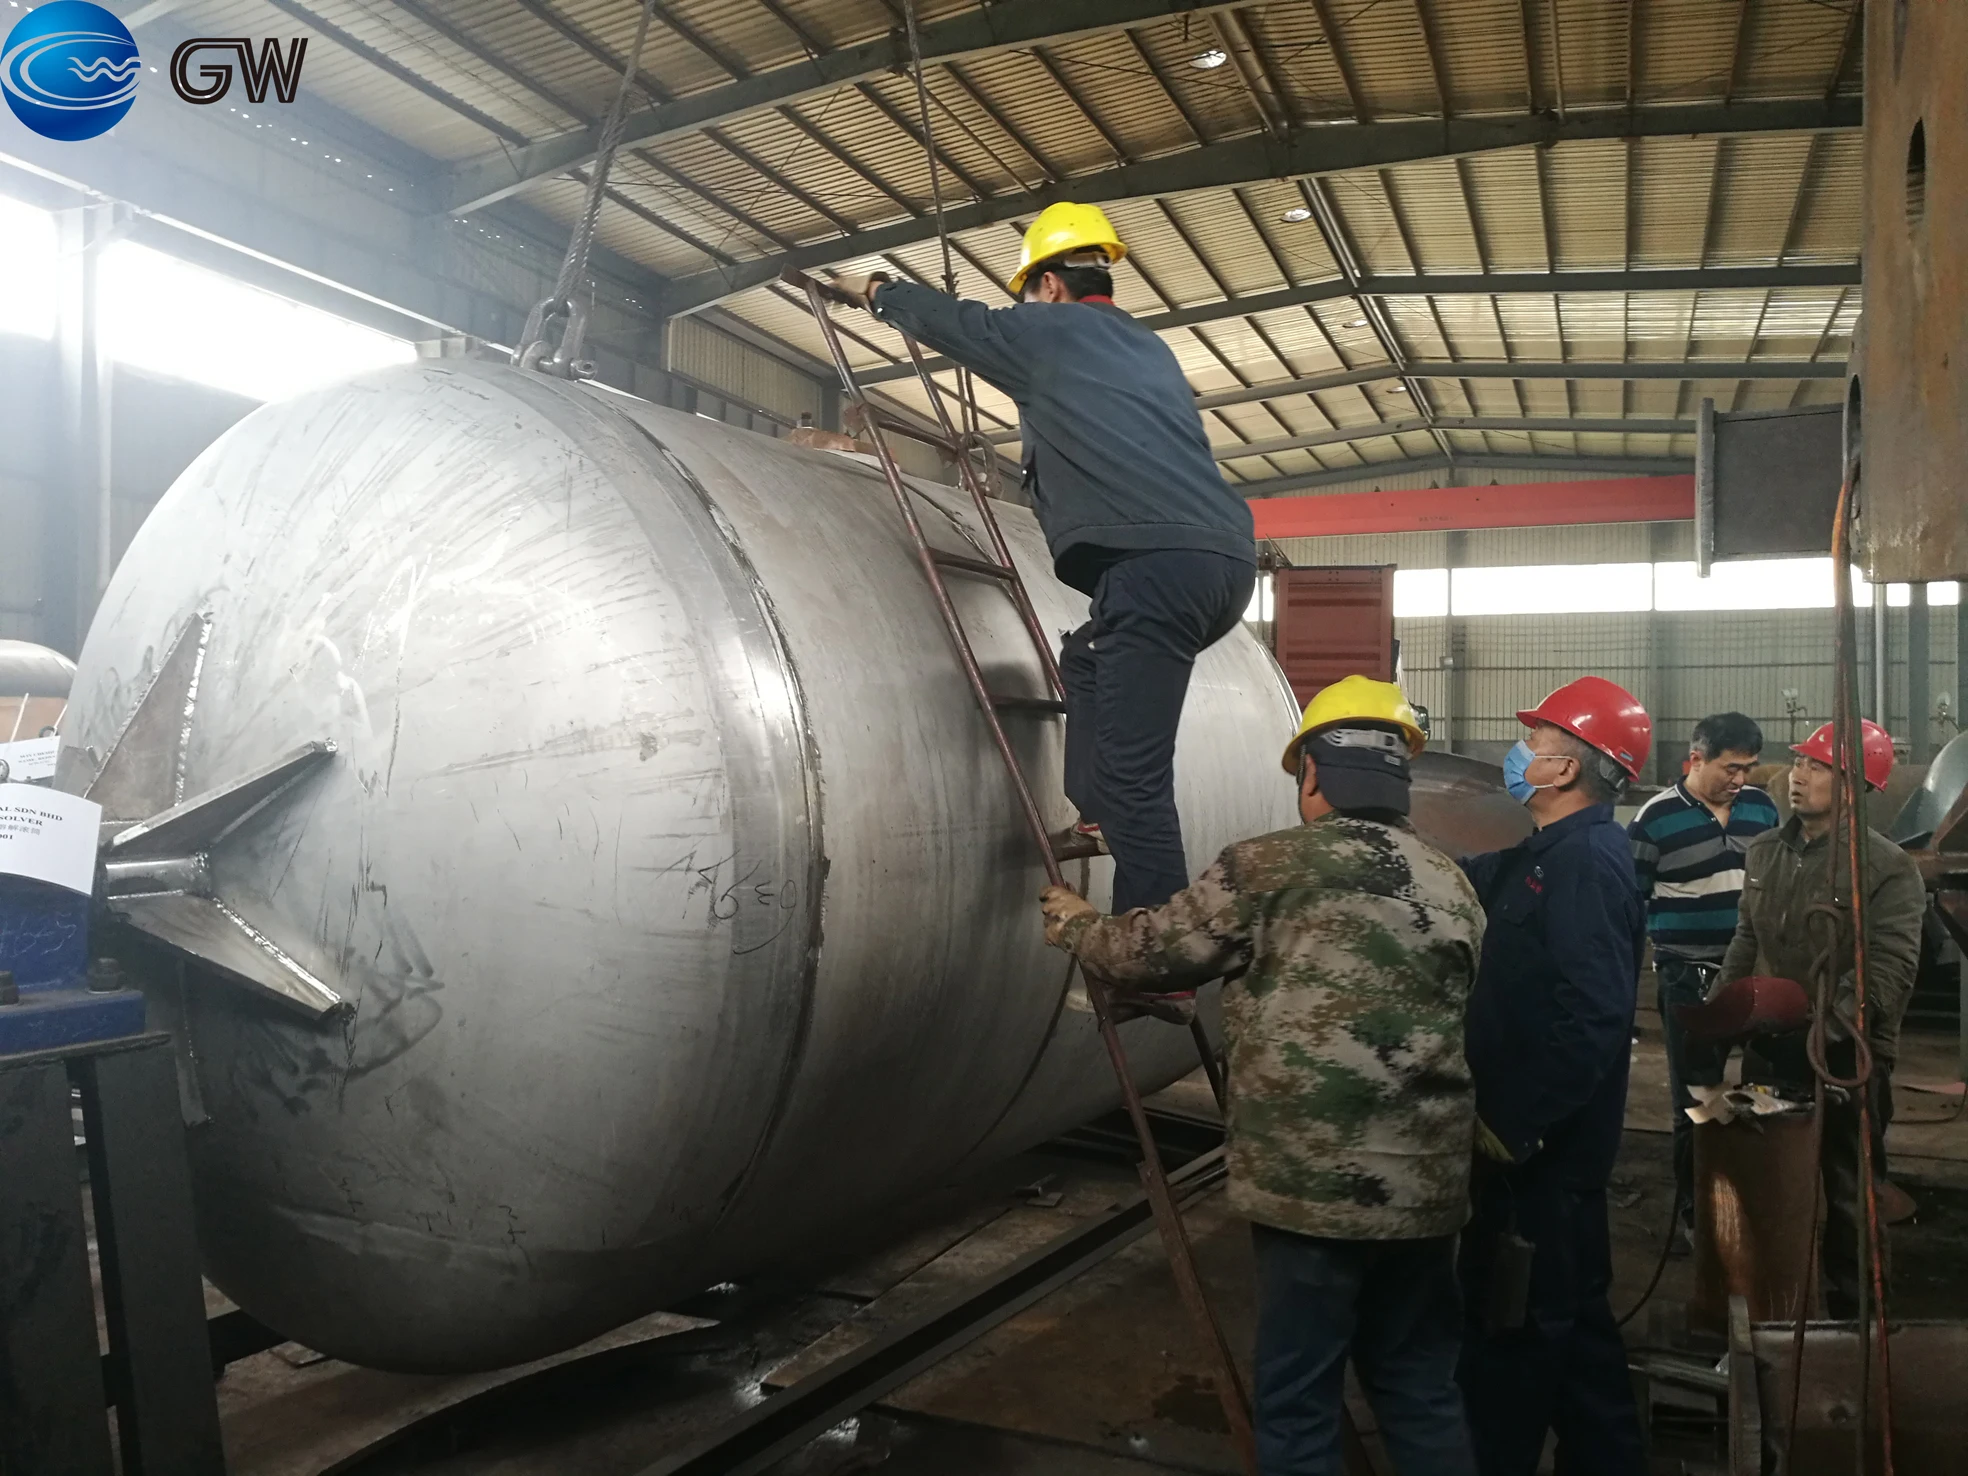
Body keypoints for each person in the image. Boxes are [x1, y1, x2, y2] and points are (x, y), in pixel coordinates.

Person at [1037, 675, 1483, 1476]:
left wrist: (1079, 925)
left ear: (1312, 773)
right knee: (1419, 1387)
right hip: (1427, 1183)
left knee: (1299, 1399)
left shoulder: (1266, 865)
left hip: (1309, 1186)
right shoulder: (1452, 884)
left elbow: (1151, 954)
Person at [831, 202, 1257, 910]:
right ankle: (1097, 814)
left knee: (1136, 779)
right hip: (1222, 564)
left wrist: (876, 291)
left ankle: (1154, 951)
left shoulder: (1051, 332)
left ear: (1050, 285)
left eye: (1027, 294)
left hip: (1154, 567)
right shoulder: (1146, 347)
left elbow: (961, 325)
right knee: (1085, 657)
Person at [1455, 676, 1652, 1476]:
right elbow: (1484, 873)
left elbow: (1594, 1017)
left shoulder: (1587, 864)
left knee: (1515, 1339)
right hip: (1542, 1158)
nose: (1519, 755)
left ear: (1566, 769)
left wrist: (1517, 1124)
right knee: (1577, 1343)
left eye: (1533, 744)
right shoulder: (1548, 855)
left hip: (1542, 1163)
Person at [1716, 719, 1925, 1318]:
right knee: (1770, 1188)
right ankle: (1777, 1313)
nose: (1797, 775)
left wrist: (1823, 1033)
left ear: (1855, 785)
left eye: (1817, 766)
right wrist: (1723, 1014)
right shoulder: (1765, 851)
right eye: (1799, 762)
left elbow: (1886, 970)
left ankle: (1858, 1321)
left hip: (1846, 1060)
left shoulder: (1885, 868)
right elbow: (1747, 940)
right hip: (1770, 1049)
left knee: (1850, 1193)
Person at [1627, 712, 1781, 1241]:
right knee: (1698, 1100)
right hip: (1687, 977)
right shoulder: (1655, 819)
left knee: (1768, 1092)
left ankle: (1757, 1200)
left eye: (1749, 768)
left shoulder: (1762, 808)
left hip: (1755, 973)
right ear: (1696, 759)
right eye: (1730, 768)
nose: (1741, 779)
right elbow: (1631, 902)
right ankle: (1699, 1213)